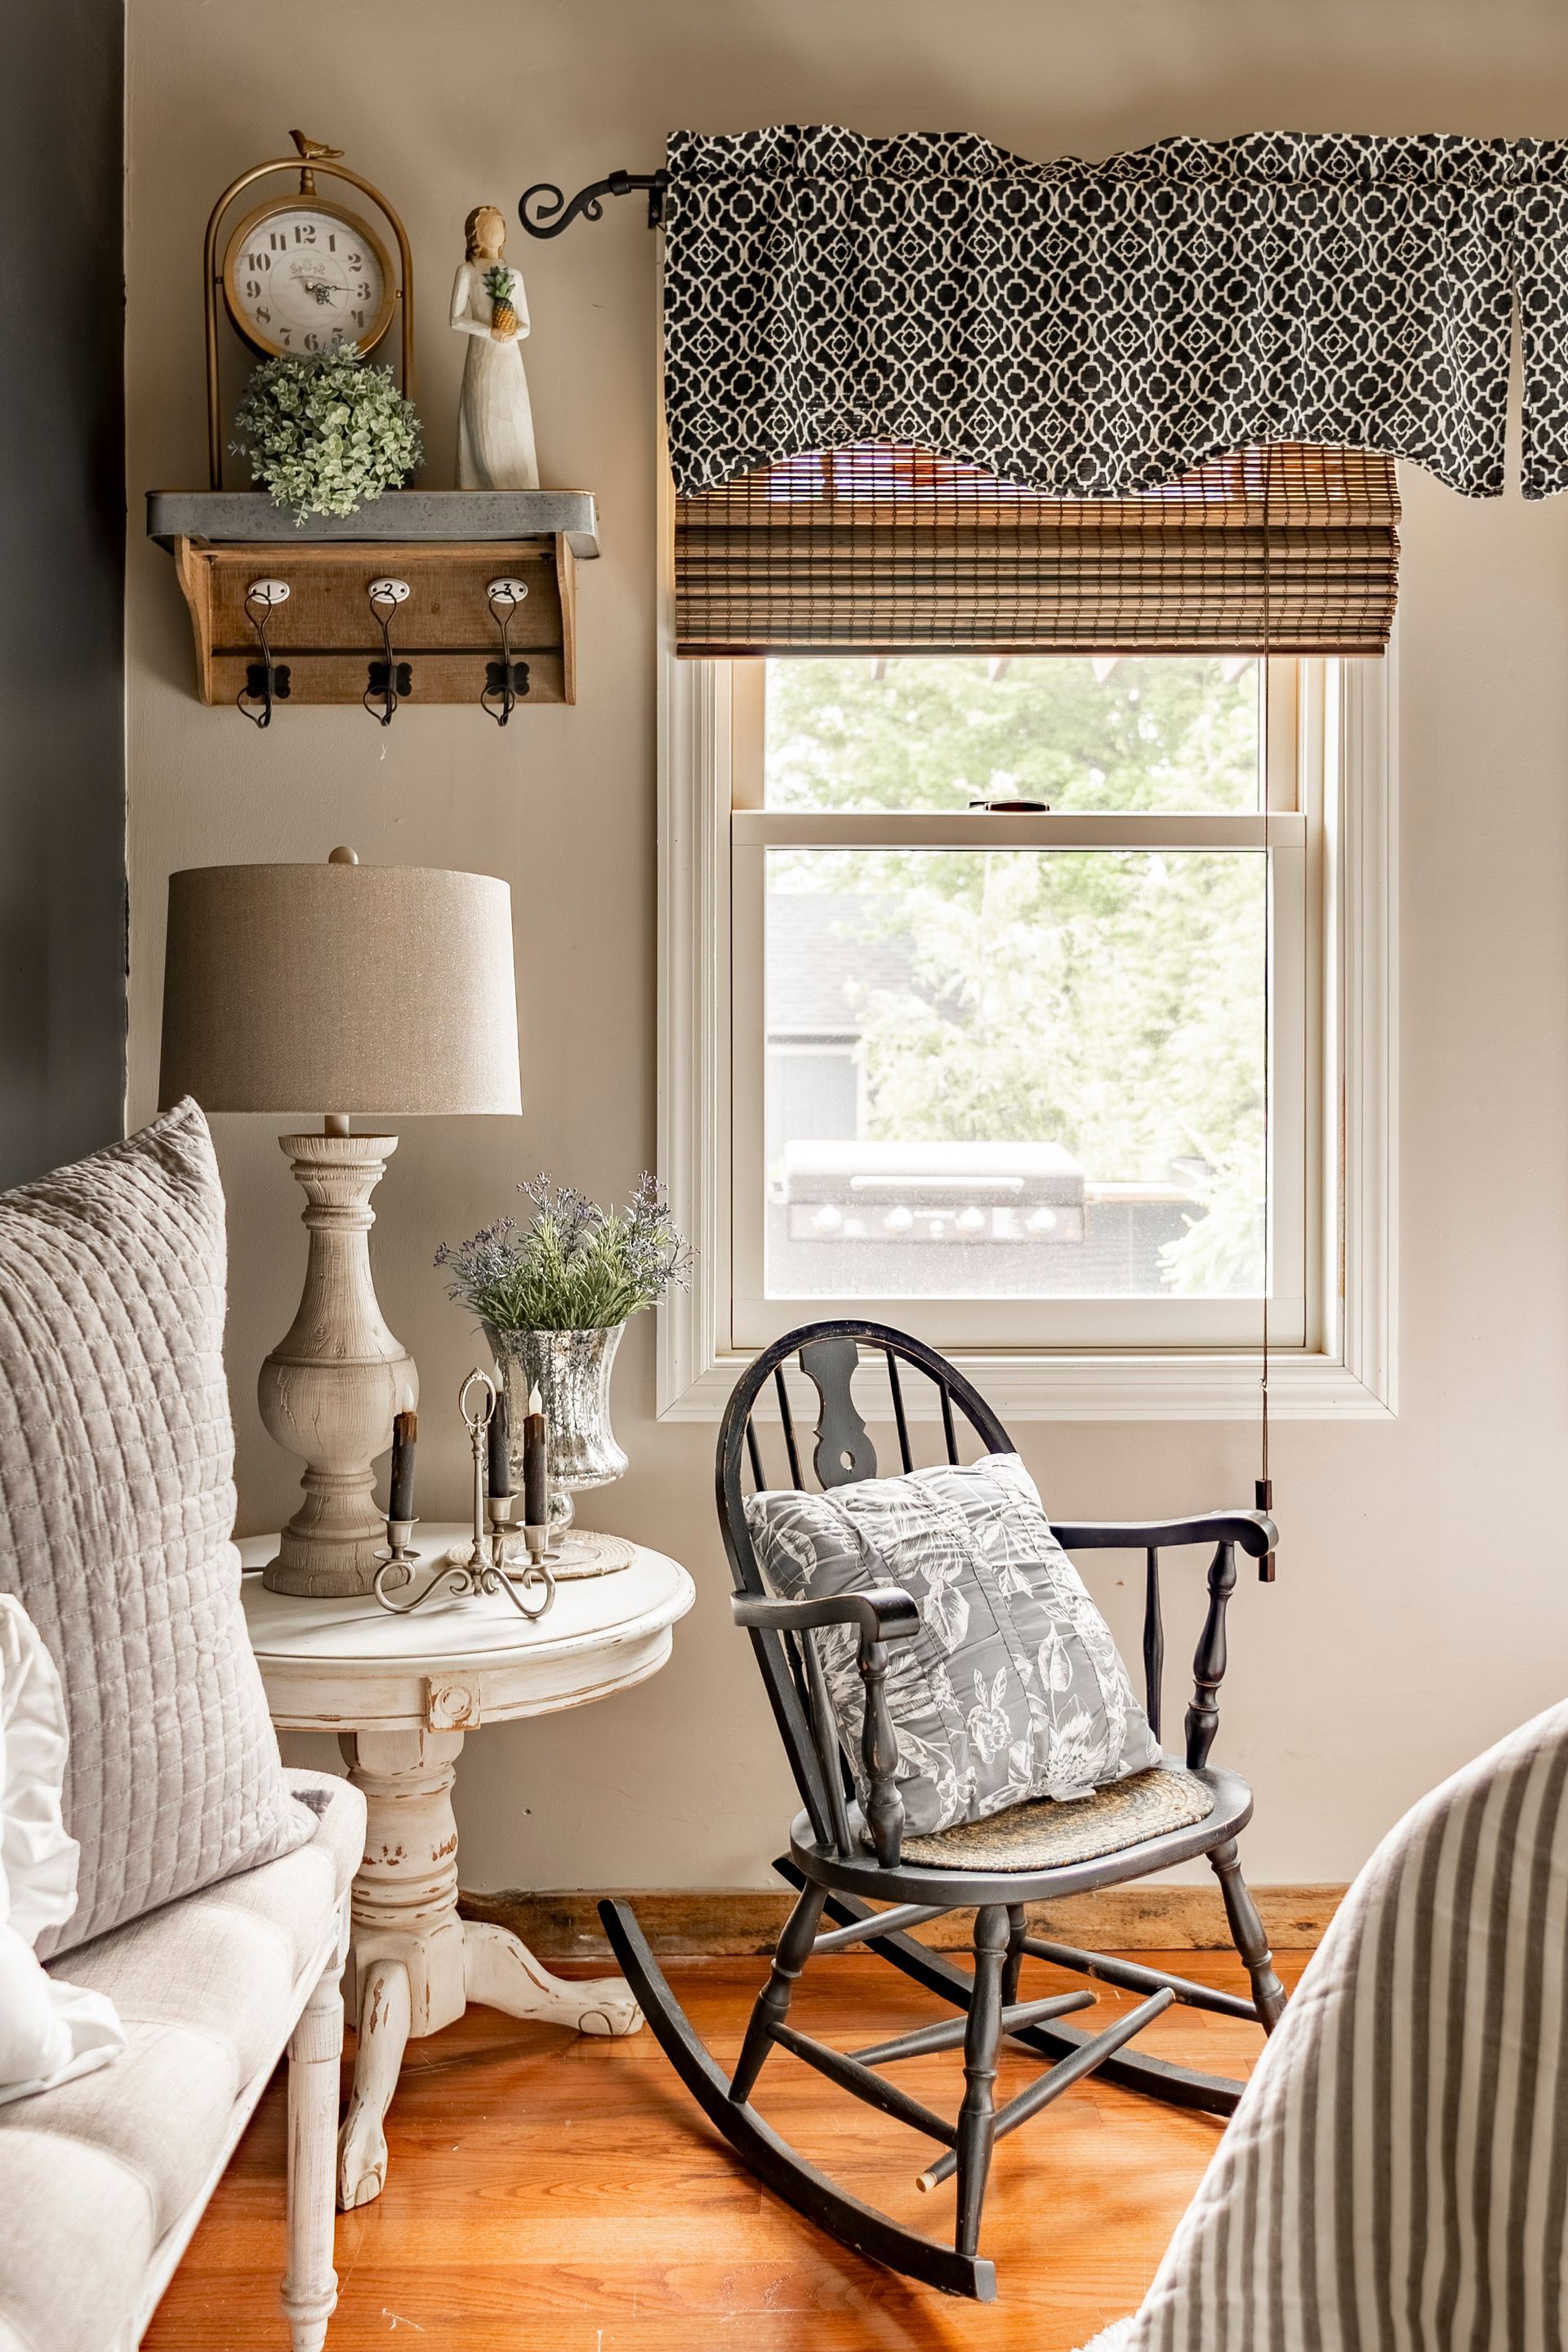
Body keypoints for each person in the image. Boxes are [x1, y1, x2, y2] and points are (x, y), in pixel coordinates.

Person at [450, 205, 538, 489]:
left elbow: (526, 326)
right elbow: (455, 319)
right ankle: (485, 489)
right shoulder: (467, 271)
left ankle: (521, 492)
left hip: (510, 362)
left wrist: (511, 333)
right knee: (484, 427)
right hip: (483, 358)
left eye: (499, 226)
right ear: (476, 234)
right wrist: (490, 331)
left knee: (515, 423)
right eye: (488, 226)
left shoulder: (514, 275)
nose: (495, 231)